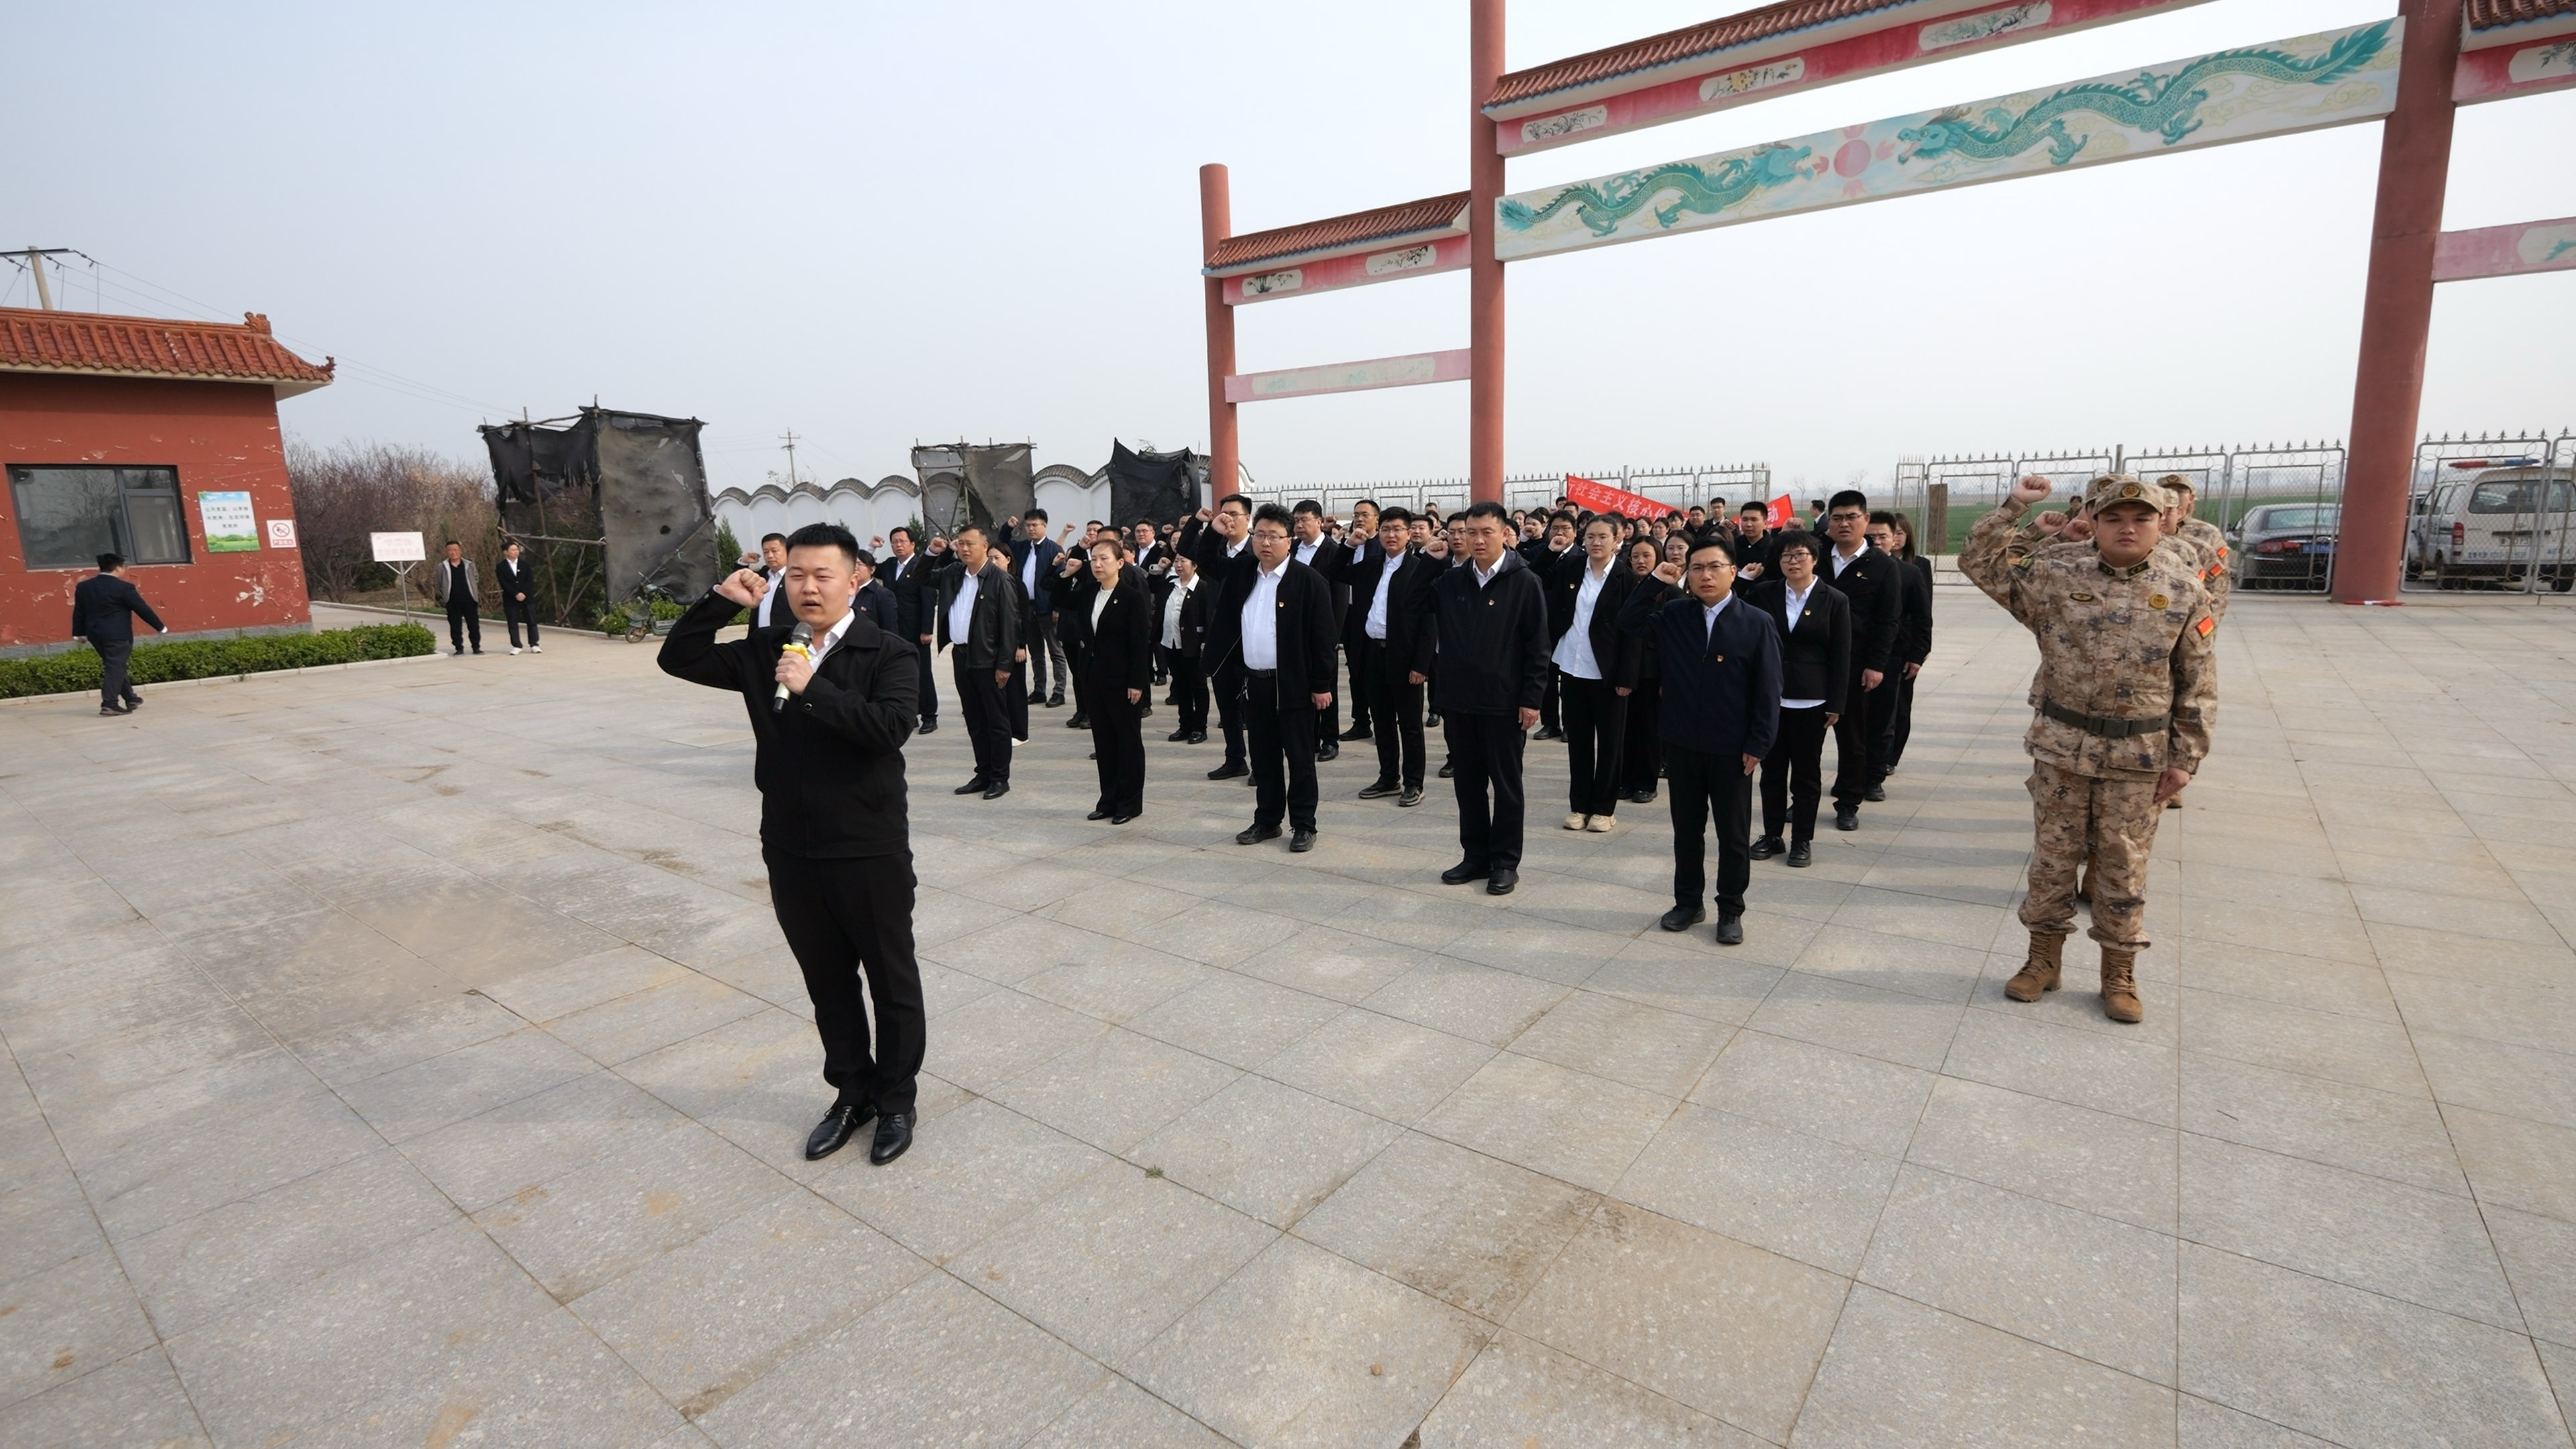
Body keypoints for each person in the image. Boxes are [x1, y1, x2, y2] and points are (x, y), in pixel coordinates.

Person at [657, 521, 922, 1165]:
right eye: (796, 574)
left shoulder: (888, 652)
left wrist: (813, 688)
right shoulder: (766, 648)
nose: (807, 587)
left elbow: (889, 729)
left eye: (822, 575)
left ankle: (895, 1100)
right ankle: (852, 1094)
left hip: (868, 847)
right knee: (827, 983)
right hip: (791, 848)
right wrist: (721, 602)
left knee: (890, 981)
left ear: (854, 579)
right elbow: (679, 658)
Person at [1963, 474, 2214, 1024]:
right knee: (2052, 861)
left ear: (2160, 524)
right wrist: (2016, 507)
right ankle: (2042, 960)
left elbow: (2197, 681)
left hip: (2137, 756)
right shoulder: (2056, 576)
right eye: (2114, 519)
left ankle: (2118, 973)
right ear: (2094, 524)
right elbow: (1979, 563)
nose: (2128, 528)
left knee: (2124, 868)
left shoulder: (2184, 589)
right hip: (2063, 748)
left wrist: (2185, 758)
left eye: (2141, 519)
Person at [1618, 533, 1782, 944]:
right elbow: (1628, 622)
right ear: (1686, 575)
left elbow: (1768, 688)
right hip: (1682, 743)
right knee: (1687, 831)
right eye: (1696, 568)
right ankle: (1688, 902)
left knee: (1733, 835)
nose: (1705, 576)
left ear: (1733, 571)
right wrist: (1656, 582)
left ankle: (1731, 909)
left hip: (1732, 747)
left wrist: (1758, 743)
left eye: (1714, 567)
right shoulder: (1675, 614)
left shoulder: (1756, 622)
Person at [1412, 501, 1549, 894]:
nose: (1477, 540)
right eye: (1469, 532)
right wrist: (1429, 562)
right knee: (1468, 785)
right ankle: (1475, 856)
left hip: (1504, 703)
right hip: (1459, 701)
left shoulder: (1524, 581)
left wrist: (1532, 698)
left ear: (1505, 534)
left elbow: (1538, 645)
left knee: (1506, 787)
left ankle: (1505, 861)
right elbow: (1411, 602)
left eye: (1486, 532)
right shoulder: (1451, 580)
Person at [1201, 504, 1336, 851]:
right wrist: (1214, 532)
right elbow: (1207, 562)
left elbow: (1324, 638)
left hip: (1294, 686)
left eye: (1274, 536)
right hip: (1254, 683)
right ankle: (1267, 820)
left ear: (1289, 540)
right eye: (1259, 534)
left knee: (1300, 760)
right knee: (1263, 759)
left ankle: (1304, 825)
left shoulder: (1309, 582)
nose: (1265, 543)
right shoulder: (1244, 570)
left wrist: (1322, 684)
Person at [1743, 531, 1848, 866]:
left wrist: (1836, 703)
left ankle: (1802, 839)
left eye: (1800, 555)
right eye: (1786, 556)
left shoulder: (1834, 599)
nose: (1793, 561)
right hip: (1771, 698)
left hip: (1811, 701)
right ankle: (1772, 835)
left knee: (1806, 775)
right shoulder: (1765, 593)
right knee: (1772, 772)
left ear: (1814, 559)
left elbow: (1841, 655)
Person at [1332, 505, 1438, 806]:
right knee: (1382, 721)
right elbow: (1336, 571)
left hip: (1404, 658)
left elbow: (1429, 623)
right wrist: (1349, 545)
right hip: (1372, 654)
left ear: (1409, 533)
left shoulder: (1420, 568)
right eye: (1386, 529)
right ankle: (1389, 778)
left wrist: (1421, 665)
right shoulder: (1370, 565)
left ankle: (1414, 783)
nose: (1391, 535)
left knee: (1410, 725)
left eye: (1398, 529)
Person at [1547, 515, 1642, 833]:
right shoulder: (1572, 568)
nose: (1596, 542)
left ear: (1618, 540)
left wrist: (1627, 677)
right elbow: (1540, 581)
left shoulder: (1626, 578)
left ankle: (1604, 809)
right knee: (1579, 743)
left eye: (1603, 537)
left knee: (1611, 744)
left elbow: (1633, 632)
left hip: (1608, 674)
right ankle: (1579, 806)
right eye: (1590, 537)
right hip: (1572, 667)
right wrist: (1551, 551)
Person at [1820, 491, 1902, 830]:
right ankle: (1803, 798)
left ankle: (1848, 802)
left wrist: (1876, 665)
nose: (1844, 524)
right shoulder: (1816, 557)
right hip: (1813, 662)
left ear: (1865, 520)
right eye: (1837, 517)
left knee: (1853, 738)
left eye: (1851, 517)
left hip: (1855, 664)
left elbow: (1889, 620)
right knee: (1805, 739)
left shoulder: (1883, 566)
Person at [929, 524, 1025, 799]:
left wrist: (1005, 666)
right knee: (974, 719)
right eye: (961, 543)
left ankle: (1000, 778)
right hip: (961, 657)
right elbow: (921, 577)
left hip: (988, 660)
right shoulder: (954, 573)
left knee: (996, 721)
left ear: (985, 546)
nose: (964, 548)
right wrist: (932, 553)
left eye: (970, 543)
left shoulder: (1000, 580)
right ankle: (983, 773)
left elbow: (1011, 625)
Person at [1063, 534, 1153, 822]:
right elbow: (1059, 598)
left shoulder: (1132, 598)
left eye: (1104, 559)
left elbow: (1140, 643)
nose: (1097, 564)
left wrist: (1137, 682)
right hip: (1093, 679)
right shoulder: (1089, 592)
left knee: (1128, 743)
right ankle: (1108, 800)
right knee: (1104, 743)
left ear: (1120, 563)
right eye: (1094, 559)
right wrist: (1067, 572)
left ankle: (1130, 803)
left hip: (1123, 682)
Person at [1182, 495, 1256, 781]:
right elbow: (1186, 549)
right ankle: (1235, 759)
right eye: (1224, 513)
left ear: (1248, 519)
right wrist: (1197, 522)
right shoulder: (1214, 550)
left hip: (1251, 640)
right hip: (1221, 641)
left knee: (1255, 708)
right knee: (1227, 706)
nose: (1229, 519)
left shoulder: (1257, 551)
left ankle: (1262, 764)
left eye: (1235, 514)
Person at [1290, 499, 1350, 759]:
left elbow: (1340, 597)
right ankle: (1310, 737)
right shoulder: (1292, 548)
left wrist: (1332, 637)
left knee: (1326, 686)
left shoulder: (1332, 551)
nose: (1299, 526)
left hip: (1322, 632)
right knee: (1302, 687)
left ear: (1319, 521)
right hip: (1295, 631)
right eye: (1296, 521)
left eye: (1304, 520)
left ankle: (1330, 738)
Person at [70, 552, 166, 716]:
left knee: (115, 665)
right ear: (118, 569)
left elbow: (79, 611)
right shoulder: (124, 587)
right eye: (124, 567)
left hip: (95, 634)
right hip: (117, 634)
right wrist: (160, 627)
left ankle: (131, 698)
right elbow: (142, 609)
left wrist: (78, 633)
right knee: (115, 666)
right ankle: (110, 704)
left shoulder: (85, 587)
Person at [1880, 513, 1933, 775]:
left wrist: (1918, 652)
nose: (1897, 538)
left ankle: (1891, 756)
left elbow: (1924, 612)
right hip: (1881, 647)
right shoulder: (1872, 564)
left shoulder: (1918, 567)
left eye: (1901, 533)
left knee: (1900, 705)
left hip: (1905, 646)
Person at [1617, 537, 1665, 804]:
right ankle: (1625, 780)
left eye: (1647, 555)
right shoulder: (1625, 585)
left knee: (1648, 729)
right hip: (1625, 670)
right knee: (1625, 729)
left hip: (1652, 672)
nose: (1640, 561)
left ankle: (1647, 782)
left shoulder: (1669, 591)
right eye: (1635, 556)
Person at [882, 526, 937, 734]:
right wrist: (871, 547)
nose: (898, 545)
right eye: (894, 542)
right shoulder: (890, 566)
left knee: (922, 673)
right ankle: (910, 713)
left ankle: (930, 716)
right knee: (900, 674)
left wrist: (926, 630)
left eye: (902, 541)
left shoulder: (920, 566)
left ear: (912, 544)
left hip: (916, 630)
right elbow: (866, 566)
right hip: (894, 630)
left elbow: (928, 599)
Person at [1010, 511, 1067, 708]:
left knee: (1056, 651)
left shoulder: (1054, 549)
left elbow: (1062, 581)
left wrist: (1057, 608)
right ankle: (1039, 690)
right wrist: (1008, 527)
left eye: (1035, 525)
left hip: (1047, 608)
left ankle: (1059, 692)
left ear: (1045, 526)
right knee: (1035, 652)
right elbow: (1003, 543)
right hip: (1026, 608)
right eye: (1028, 525)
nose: (1031, 529)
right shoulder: (1023, 548)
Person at [1161, 551, 1209, 743]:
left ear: (1194, 565)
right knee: (1181, 686)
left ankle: (1200, 728)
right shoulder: (1170, 585)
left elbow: (1207, 618)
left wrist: (1205, 643)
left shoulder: (1202, 588)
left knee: (1198, 687)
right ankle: (1185, 726)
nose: (1179, 565)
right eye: (1177, 561)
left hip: (1193, 646)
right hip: (1170, 643)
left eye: (1183, 561)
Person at [433, 540, 482, 655]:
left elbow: (476, 578)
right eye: (450, 550)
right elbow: (439, 582)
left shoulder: (469, 565)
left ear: (460, 551)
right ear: (446, 552)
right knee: (455, 626)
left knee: (474, 625)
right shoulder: (442, 567)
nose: (453, 552)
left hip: (470, 600)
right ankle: (459, 647)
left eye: (455, 550)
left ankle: (476, 647)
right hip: (452, 601)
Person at [496, 541, 542, 655]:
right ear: (506, 552)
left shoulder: (525, 565)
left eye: (517, 550)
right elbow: (504, 583)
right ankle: (516, 645)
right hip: (511, 598)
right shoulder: (501, 567)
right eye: (513, 550)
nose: (516, 552)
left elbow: (529, 581)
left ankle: (534, 644)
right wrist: (516, 594)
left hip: (527, 597)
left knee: (531, 620)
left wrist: (523, 593)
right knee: (513, 622)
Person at [849, 548, 898, 634]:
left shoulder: (883, 595)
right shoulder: (844, 591)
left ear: (872, 570)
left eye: (859, 564)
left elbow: (890, 630)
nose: (855, 568)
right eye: (852, 564)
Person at [751, 533, 790, 628]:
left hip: (785, 635)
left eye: (774, 551)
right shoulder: (762, 576)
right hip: (759, 635)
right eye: (766, 552)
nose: (770, 556)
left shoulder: (796, 577)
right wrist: (743, 563)